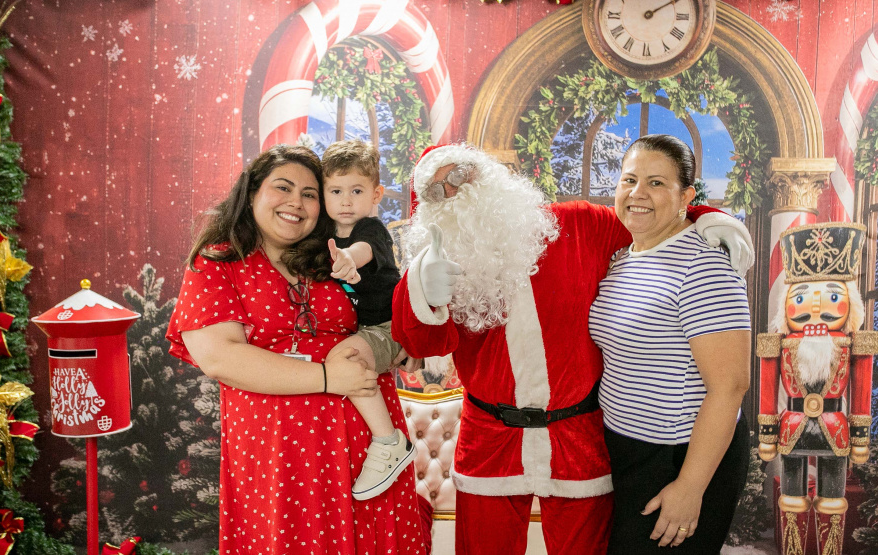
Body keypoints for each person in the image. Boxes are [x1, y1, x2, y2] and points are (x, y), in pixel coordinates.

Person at [391, 142, 755, 555]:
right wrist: (421, 289)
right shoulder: (440, 260)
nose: (454, 193)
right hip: (490, 440)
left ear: (489, 176)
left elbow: (649, 221)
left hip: (578, 438)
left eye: (459, 176)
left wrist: (708, 218)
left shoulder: (580, 225)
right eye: (437, 191)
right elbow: (421, 345)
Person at [165, 144, 428, 554]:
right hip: (278, 460)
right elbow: (219, 357)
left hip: (368, 460)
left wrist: (403, 343)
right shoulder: (218, 263)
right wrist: (327, 377)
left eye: (309, 193)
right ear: (252, 192)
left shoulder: (332, 254)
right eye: (283, 188)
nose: (297, 202)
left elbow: (383, 314)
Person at [588, 135, 751, 553]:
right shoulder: (624, 257)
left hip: (678, 456)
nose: (638, 193)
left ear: (686, 196)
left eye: (657, 183)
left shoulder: (704, 263)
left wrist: (690, 487)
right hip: (623, 451)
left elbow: (730, 385)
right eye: (629, 180)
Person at [758, 222, 874, 555]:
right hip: (792, 426)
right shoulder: (778, 343)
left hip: (835, 428)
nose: (815, 305)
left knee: (832, 502)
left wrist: (861, 437)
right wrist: (767, 435)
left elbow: (862, 390)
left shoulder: (854, 344)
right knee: (791, 499)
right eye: (803, 296)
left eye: (832, 296)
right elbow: (767, 388)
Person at [320, 139, 418, 501]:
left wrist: (347, 259)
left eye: (357, 190)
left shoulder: (371, 229)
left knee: (342, 360)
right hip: (360, 329)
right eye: (336, 190)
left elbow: (363, 251)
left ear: (376, 194)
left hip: (386, 327)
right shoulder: (322, 233)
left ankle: (389, 441)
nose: (346, 200)